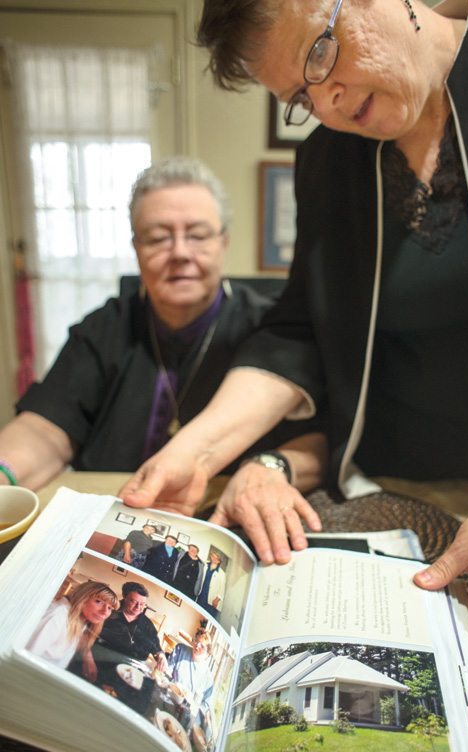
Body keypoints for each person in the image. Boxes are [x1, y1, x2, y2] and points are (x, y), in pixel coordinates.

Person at [120, 0, 468, 656]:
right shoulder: (329, 161)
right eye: (300, 97)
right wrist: (193, 455)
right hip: (385, 497)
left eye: (320, 50)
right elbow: (297, 331)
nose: (331, 101)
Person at [0, 155, 326, 525]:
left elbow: (318, 442)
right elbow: (44, 427)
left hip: (222, 521)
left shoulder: (272, 326)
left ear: (224, 242)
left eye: (198, 235)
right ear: (136, 248)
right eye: (158, 238)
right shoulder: (104, 327)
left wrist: (271, 466)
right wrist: (4, 474)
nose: (181, 253)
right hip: (110, 516)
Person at [26, 581, 119, 676]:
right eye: (98, 601)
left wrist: (88, 657)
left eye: (110, 608)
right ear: (83, 597)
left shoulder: (81, 617)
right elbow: (27, 656)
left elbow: (80, 635)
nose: (104, 612)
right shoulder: (57, 615)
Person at [92, 581, 167, 673]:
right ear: (125, 597)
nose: (138, 607)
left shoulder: (147, 624)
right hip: (102, 662)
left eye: (142, 604)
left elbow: (156, 647)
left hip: (132, 670)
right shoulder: (108, 612)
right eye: (133, 601)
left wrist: (161, 656)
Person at [168, 627, 214, 743]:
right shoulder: (181, 650)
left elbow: (205, 705)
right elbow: (167, 671)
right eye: (196, 641)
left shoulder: (208, 678)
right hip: (168, 697)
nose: (197, 646)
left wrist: (193, 707)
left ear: (208, 653)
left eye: (202, 646)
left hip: (184, 714)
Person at [195, 551, 226, 620]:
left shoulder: (222, 573)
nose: (214, 559)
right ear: (211, 556)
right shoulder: (205, 565)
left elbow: (222, 589)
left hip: (211, 600)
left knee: (207, 618)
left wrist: (217, 599)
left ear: (219, 561)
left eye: (217, 558)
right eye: (213, 556)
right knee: (197, 615)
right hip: (201, 595)